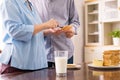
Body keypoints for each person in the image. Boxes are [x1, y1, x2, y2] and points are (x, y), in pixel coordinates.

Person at [0, 0, 58, 74]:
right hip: (18, 65)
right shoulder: (9, 2)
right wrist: (45, 25)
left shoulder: (29, 4)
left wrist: (48, 31)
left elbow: (31, 32)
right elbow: (15, 31)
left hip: (35, 64)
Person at [30, 0, 80, 67]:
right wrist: (46, 31)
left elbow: (75, 21)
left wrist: (72, 29)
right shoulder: (31, 2)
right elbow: (30, 29)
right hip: (42, 56)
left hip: (65, 54)